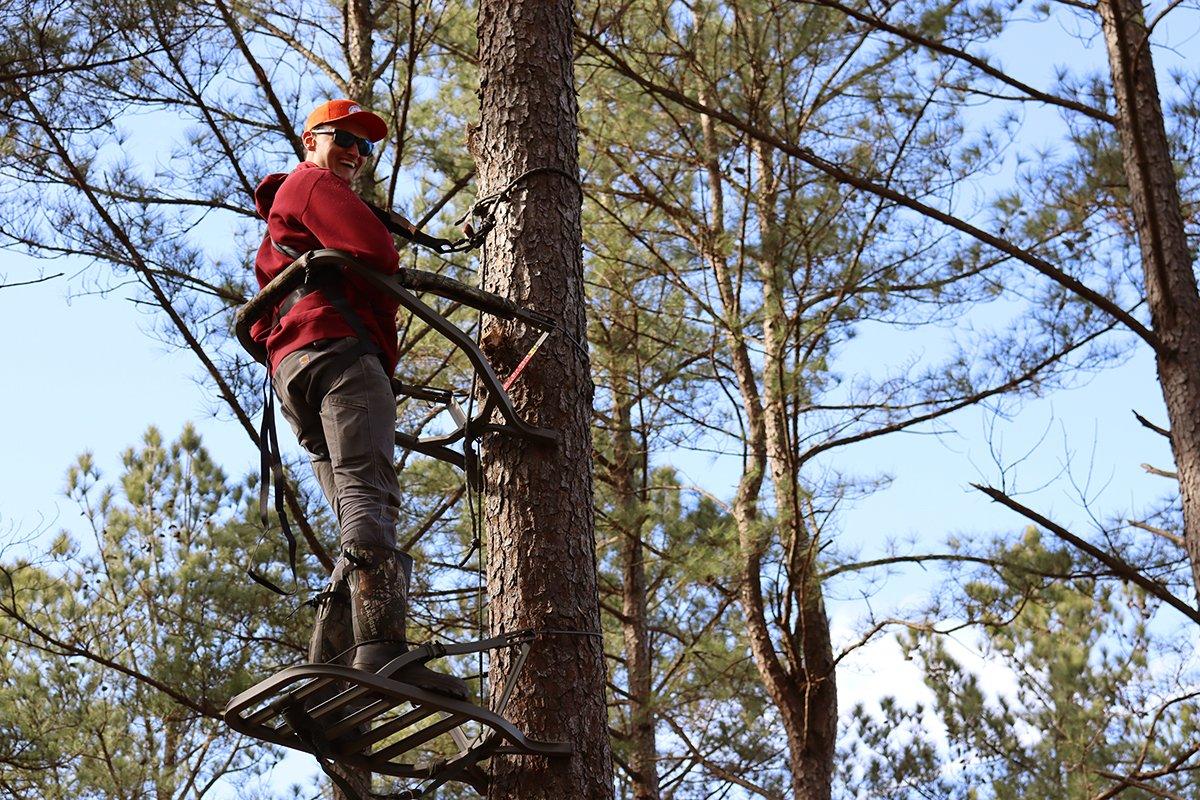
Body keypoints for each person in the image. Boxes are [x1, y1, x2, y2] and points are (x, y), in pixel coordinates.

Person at [251, 99, 467, 698]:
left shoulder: (286, 216)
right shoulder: (311, 183)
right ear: (310, 140)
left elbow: (256, 325)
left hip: (297, 368)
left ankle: (333, 659)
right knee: (371, 490)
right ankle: (382, 649)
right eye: (341, 138)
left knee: (355, 507)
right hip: (340, 352)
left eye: (364, 146)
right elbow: (376, 249)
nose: (353, 152)